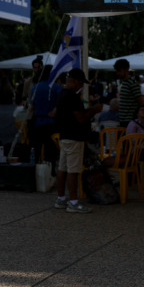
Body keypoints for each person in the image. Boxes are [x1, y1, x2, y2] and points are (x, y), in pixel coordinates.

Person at [54, 69, 102, 213]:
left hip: (65, 136)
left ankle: (61, 199)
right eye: (81, 83)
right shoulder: (72, 97)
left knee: (62, 169)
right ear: (74, 81)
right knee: (72, 170)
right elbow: (80, 118)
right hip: (74, 137)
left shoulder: (62, 94)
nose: (82, 86)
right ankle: (73, 202)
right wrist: (94, 110)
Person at [28, 66, 62, 165]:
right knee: (51, 151)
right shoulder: (57, 87)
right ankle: (50, 172)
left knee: (37, 150)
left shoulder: (35, 87)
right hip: (52, 123)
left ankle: (36, 169)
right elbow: (61, 103)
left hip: (38, 122)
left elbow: (32, 105)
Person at [114, 58, 144, 128]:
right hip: (124, 120)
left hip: (130, 121)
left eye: (119, 71)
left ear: (126, 69)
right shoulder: (124, 82)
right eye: (117, 71)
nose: (117, 73)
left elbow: (140, 102)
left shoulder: (132, 83)